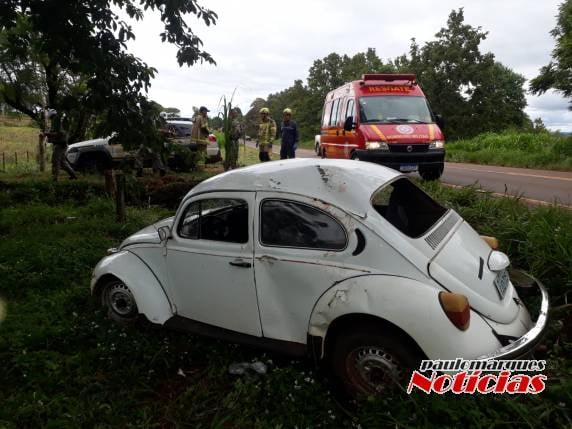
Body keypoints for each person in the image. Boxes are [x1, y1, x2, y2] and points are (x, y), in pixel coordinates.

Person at [43, 109, 78, 181]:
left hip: (60, 145)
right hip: (61, 144)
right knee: (63, 163)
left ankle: (55, 178)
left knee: (56, 161)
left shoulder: (59, 123)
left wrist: (48, 134)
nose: (51, 119)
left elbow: (60, 134)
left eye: (51, 117)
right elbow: (54, 133)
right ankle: (73, 175)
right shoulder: (57, 123)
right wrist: (48, 134)